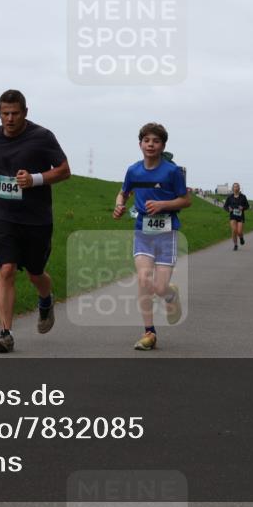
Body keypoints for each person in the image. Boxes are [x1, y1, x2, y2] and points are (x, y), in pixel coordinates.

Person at [0, 90, 71, 353]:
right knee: (6, 269)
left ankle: (45, 299)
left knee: (35, 273)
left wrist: (35, 179)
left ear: (25, 112)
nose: (9, 119)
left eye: (15, 113)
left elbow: (64, 170)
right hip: (4, 215)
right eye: (5, 113)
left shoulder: (42, 137)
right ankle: (5, 333)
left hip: (36, 219)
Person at [113, 123, 192, 351]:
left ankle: (169, 295)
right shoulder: (133, 170)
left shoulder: (171, 171)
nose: (151, 145)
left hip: (167, 235)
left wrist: (163, 204)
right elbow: (123, 192)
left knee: (159, 287)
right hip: (143, 233)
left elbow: (186, 200)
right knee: (144, 280)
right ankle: (149, 332)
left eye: (156, 141)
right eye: (147, 140)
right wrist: (119, 205)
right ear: (140, 144)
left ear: (163, 145)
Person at [223, 183, 249, 251]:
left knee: (239, 232)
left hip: (240, 216)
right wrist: (229, 209)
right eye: (234, 187)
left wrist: (242, 208)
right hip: (232, 216)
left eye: (237, 187)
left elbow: (247, 206)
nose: (236, 188)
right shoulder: (230, 197)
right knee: (234, 230)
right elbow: (225, 206)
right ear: (232, 188)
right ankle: (235, 245)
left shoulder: (243, 197)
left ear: (239, 188)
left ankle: (241, 238)